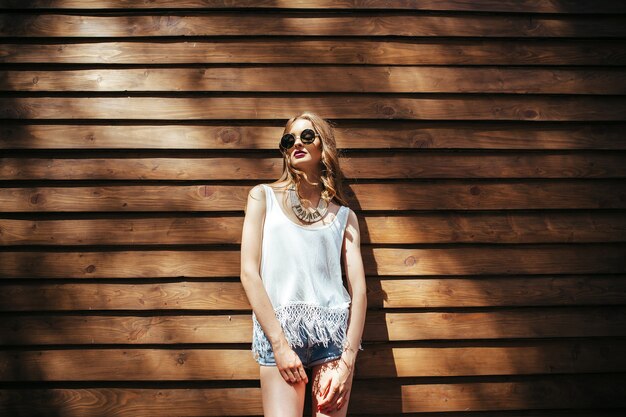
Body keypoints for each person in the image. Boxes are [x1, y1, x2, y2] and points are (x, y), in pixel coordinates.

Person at [240, 111, 367, 416]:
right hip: (281, 334)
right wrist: (280, 346)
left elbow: (359, 291)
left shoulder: (344, 216)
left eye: (307, 136)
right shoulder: (262, 197)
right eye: (289, 139)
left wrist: (347, 363)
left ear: (324, 147)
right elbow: (249, 272)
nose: (297, 142)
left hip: (333, 341)